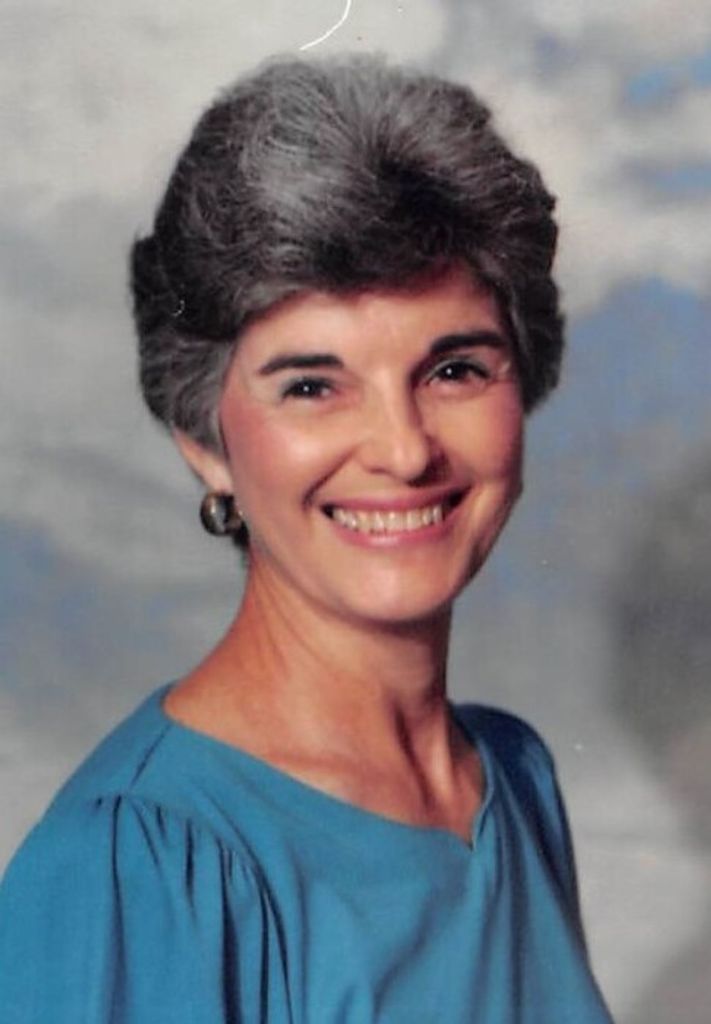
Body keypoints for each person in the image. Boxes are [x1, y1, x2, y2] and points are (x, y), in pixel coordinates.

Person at [0, 54, 613, 1022]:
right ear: (204, 440)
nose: (404, 450)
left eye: (454, 369)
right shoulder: (136, 866)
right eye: (313, 386)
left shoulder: (515, 777)